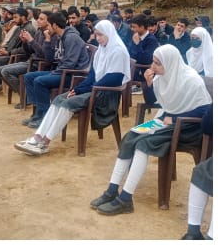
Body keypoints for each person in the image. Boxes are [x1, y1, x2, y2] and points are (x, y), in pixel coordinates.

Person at [90, 44, 211, 216]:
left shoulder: (191, 79)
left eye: (157, 63)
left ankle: (125, 199)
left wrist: (175, 119)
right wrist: (148, 83)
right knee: (131, 136)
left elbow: (205, 110)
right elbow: (152, 101)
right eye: (153, 62)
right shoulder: (162, 77)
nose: (152, 67)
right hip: (165, 121)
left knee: (142, 145)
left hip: (187, 127)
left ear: (170, 62)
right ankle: (112, 190)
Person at [15, 20, 131, 155]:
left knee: (69, 103)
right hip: (94, 88)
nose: (98, 38)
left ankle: (45, 143)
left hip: (106, 94)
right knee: (59, 99)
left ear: (109, 34)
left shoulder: (118, 51)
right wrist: (77, 89)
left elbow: (113, 79)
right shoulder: (101, 51)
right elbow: (93, 77)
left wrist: (84, 90)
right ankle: (37, 137)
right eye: (96, 35)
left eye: (101, 35)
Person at [21, 11, 91, 128]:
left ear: (54, 25)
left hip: (72, 75)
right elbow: (49, 59)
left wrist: (54, 72)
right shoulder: (60, 37)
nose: (47, 28)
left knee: (40, 81)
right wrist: (47, 41)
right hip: (62, 71)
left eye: (48, 25)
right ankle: (38, 113)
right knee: (29, 77)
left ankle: (45, 117)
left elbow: (70, 63)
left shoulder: (71, 37)